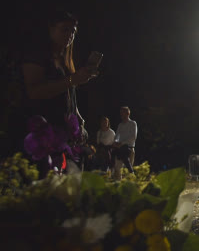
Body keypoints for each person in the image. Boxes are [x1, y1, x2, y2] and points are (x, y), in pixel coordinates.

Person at [22, 9, 96, 177]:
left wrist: (77, 116)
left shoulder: (63, 59)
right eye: (65, 29)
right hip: (41, 135)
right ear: (50, 29)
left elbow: (67, 92)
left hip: (61, 135)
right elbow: (34, 92)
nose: (70, 35)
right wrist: (73, 80)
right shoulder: (37, 55)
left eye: (73, 31)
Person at [112, 106, 137, 179]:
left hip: (129, 150)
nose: (121, 115)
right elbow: (117, 136)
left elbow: (133, 137)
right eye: (121, 113)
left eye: (123, 113)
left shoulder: (133, 123)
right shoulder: (120, 125)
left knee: (127, 174)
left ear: (128, 113)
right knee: (117, 172)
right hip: (119, 150)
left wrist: (122, 143)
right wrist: (116, 142)